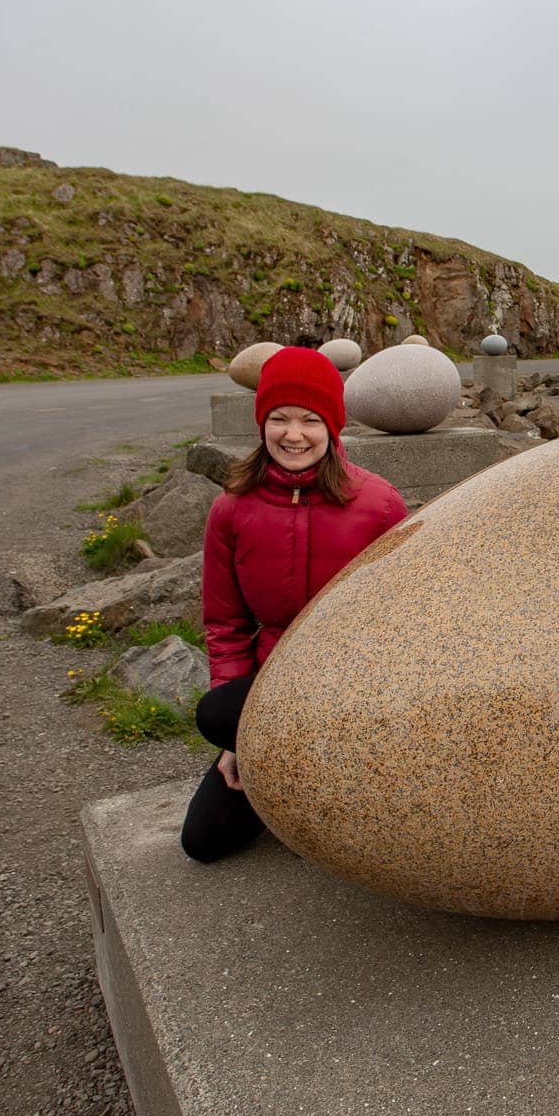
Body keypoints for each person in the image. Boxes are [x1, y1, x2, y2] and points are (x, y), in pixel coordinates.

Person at [181, 346, 408, 862]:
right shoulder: (231, 508)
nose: (293, 434)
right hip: (270, 692)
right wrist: (237, 743)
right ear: (261, 423)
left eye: (310, 420)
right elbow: (225, 624)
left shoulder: (380, 505)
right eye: (279, 418)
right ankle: (281, 762)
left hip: (355, 689)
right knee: (204, 838)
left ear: (332, 426)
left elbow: (407, 616)